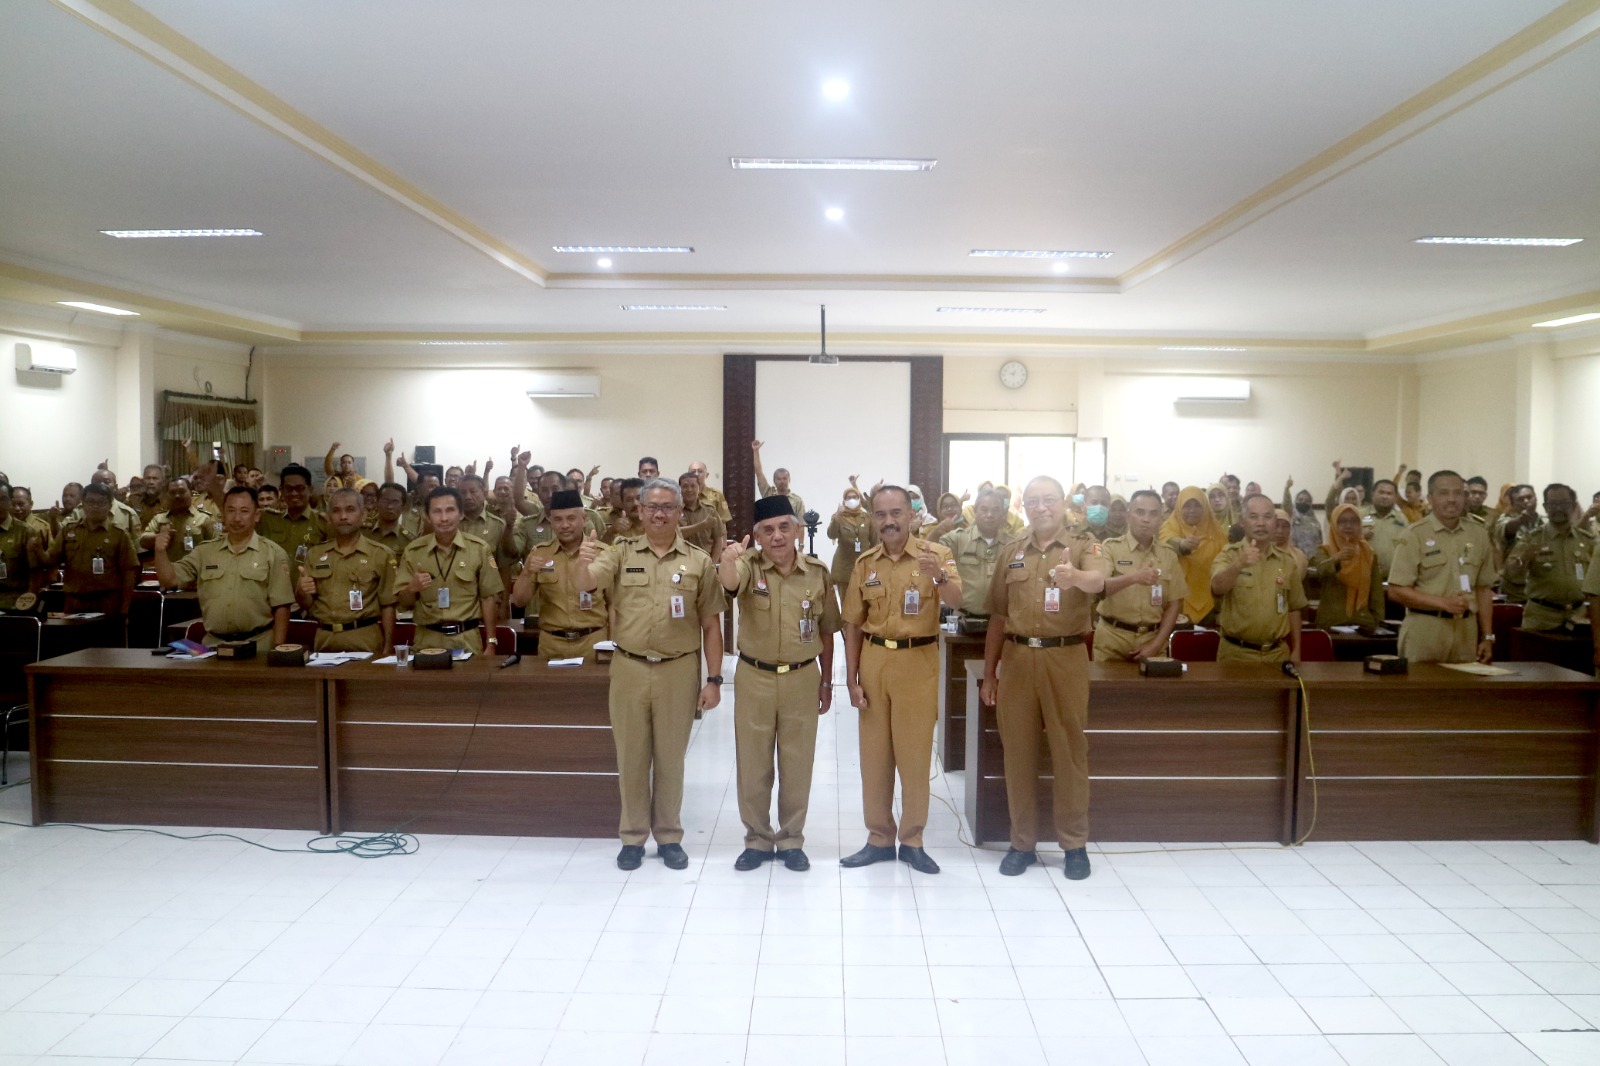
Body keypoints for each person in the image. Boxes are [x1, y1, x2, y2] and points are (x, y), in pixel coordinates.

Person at [578, 477, 725, 871]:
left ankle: (669, 836)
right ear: (640, 512)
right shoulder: (620, 552)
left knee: (671, 760)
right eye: (653, 507)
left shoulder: (697, 561)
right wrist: (582, 560)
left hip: (679, 670)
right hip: (629, 667)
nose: (660, 514)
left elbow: (711, 625)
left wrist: (714, 680)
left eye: (668, 507)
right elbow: (586, 583)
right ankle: (632, 837)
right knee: (631, 758)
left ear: (680, 512)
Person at [978, 475, 1103, 880]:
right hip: (1017, 659)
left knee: (1070, 752)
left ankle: (1074, 845)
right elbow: (998, 616)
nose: (1041, 507)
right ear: (1023, 508)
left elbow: (1098, 581)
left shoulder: (1084, 545)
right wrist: (990, 674)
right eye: (1033, 501)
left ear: (1064, 504)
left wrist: (1075, 577)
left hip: (1065, 657)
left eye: (1049, 499)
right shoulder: (1012, 551)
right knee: (1018, 753)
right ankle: (1022, 843)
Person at [840, 485, 961, 875]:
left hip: (917, 661)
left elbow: (958, 599)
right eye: (881, 514)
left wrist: (939, 577)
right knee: (874, 758)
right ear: (873, 519)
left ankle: (912, 840)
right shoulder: (866, 563)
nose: (889, 521)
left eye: (896, 513)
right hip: (874, 660)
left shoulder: (936, 554)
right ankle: (878, 838)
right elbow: (852, 624)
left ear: (911, 515)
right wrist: (851, 678)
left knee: (914, 756)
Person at [718, 496, 839, 872]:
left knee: (797, 763)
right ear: (757, 537)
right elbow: (730, 582)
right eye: (767, 530)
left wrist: (827, 682)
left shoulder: (817, 572)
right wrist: (727, 558)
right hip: (754, 677)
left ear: (798, 531)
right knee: (753, 763)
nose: (777, 536)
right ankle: (757, 839)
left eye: (784, 527)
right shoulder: (747, 565)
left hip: (803, 678)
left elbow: (828, 631)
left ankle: (790, 840)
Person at [153, 485, 293, 652]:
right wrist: (160, 551)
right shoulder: (204, 552)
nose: (237, 518)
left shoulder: (273, 553)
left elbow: (282, 607)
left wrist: (277, 649)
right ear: (223, 515)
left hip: (259, 646)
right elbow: (169, 580)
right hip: (213, 646)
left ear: (256, 515)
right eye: (231, 511)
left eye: (244, 511)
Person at [1387, 471, 1496, 664]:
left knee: (1463, 683)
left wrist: (1487, 636)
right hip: (1426, 629)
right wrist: (1443, 603)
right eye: (1444, 493)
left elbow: (1483, 588)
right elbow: (1396, 590)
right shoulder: (1414, 534)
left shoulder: (1478, 534)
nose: (1452, 499)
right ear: (1430, 498)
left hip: (1466, 631)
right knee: (1421, 683)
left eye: (1458, 493)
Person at [395, 487, 503, 655]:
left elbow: (488, 598)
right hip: (426, 639)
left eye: (450, 510)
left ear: (461, 514)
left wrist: (491, 642)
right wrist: (411, 588)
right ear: (427, 516)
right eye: (437, 512)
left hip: (466, 639)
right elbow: (403, 602)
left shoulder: (479, 549)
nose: (444, 518)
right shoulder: (414, 551)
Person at [509, 490, 610, 662]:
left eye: (571, 518)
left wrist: (612, 645)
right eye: (558, 519)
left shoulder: (602, 554)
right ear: (550, 521)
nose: (564, 525)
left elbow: (615, 606)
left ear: (584, 519)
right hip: (552, 644)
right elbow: (519, 601)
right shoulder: (540, 553)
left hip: (593, 642)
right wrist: (527, 573)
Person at [295, 488, 396, 656]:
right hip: (325, 637)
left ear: (363, 515)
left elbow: (388, 605)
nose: (343, 516)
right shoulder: (315, 554)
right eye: (336, 511)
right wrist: (301, 591)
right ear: (328, 517)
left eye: (350, 510)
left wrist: (388, 646)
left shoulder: (380, 554)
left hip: (364, 637)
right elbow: (307, 604)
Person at [1210, 494, 1307, 664]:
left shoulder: (1286, 561)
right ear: (1242, 521)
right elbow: (1217, 588)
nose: (1261, 523)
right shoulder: (1229, 554)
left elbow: (1294, 608)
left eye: (1267, 517)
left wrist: (1297, 649)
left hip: (1277, 654)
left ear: (1275, 521)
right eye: (1254, 517)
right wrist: (1239, 564)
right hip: (1236, 655)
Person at [1093, 489, 1185, 662]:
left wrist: (1156, 644)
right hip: (1112, 639)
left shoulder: (1168, 555)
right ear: (1128, 516)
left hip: (1152, 639)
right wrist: (1134, 578)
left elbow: (1174, 604)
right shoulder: (1110, 548)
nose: (1146, 519)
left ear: (1161, 519)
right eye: (1140, 512)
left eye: (1153, 514)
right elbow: (1100, 588)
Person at [1505, 484, 1594, 633]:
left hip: (1578, 618)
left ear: (1573, 506)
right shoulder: (1532, 538)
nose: (1558, 508)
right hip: (1541, 619)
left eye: (1564, 503)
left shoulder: (1586, 540)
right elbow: (1510, 574)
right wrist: (1524, 558)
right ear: (1545, 507)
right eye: (1553, 504)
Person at [45, 483, 139, 625]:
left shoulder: (119, 534)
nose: (95, 506)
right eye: (90, 502)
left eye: (101, 502)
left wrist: (124, 610)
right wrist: (36, 550)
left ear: (109, 505)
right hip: (74, 601)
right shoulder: (69, 531)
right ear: (83, 504)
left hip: (107, 602)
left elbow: (128, 575)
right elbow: (51, 559)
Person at [1161, 486, 1227, 625]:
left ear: (1205, 507)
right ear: (1179, 507)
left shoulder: (1217, 532)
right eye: (1187, 506)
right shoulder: (1169, 527)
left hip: (1212, 605)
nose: (1192, 510)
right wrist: (1183, 545)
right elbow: (1166, 543)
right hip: (1177, 603)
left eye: (1197, 505)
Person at [1310, 504, 1383, 629]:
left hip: (1363, 622)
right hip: (1332, 623)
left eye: (1354, 521)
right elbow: (1318, 573)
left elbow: (1376, 594)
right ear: (1334, 524)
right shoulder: (1324, 551)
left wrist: (1379, 623)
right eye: (1342, 521)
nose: (1348, 525)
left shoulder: (1368, 554)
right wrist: (1336, 558)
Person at [940, 487, 1008, 619]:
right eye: (984, 509)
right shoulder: (957, 539)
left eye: (995, 510)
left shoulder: (1011, 544)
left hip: (1000, 621)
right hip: (964, 618)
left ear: (1003, 514)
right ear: (975, 511)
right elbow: (927, 551)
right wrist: (938, 530)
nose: (989, 515)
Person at [257, 464, 328, 568]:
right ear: (281, 491)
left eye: (300, 488)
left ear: (310, 490)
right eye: (288, 488)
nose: (294, 493)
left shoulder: (323, 523)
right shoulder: (268, 520)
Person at [137, 477, 214, 564]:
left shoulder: (204, 518)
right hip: (167, 569)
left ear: (191, 493)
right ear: (167, 496)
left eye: (182, 492)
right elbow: (143, 541)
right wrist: (160, 537)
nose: (177, 496)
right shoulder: (159, 518)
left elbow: (215, 547)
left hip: (196, 569)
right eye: (172, 493)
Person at [1494, 484, 1541, 603]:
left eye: (1529, 497)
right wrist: (1521, 520)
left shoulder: (1544, 522)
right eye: (1520, 499)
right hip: (1515, 590)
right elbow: (1507, 529)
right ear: (1512, 503)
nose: (1526, 501)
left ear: (1536, 498)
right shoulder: (1505, 521)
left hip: (1540, 588)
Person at [0, 484, 45, 609]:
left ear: (10, 501)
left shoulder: (25, 531)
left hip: (15, 602)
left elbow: (35, 573)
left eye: (3, 499)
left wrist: (28, 604)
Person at [827, 483, 874, 590]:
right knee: (845, 599)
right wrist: (837, 516)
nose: (852, 500)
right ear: (844, 501)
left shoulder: (866, 517)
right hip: (843, 567)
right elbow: (831, 534)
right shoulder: (838, 517)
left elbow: (874, 541)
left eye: (854, 497)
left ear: (859, 499)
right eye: (848, 498)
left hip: (864, 565)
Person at [677, 471, 727, 557]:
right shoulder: (674, 511)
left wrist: (712, 562)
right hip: (681, 559)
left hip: (705, 559)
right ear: (679, 489)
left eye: (693, 486)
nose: (689, 489)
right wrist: (703, 525)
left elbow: (718, 540)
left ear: (699, 488)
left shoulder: (710, 510)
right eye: (685, 486)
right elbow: (675, 534)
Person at [752, 439, 805, 516]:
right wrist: (756, 451)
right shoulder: (768, 494)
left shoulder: (797, 501)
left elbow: (801, 522)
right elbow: (759, 473)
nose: (782, 481)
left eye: (784, 478)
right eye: (779, 479)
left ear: (789, 480)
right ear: (774, 481)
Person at [369, 482, 414, 555]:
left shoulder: (409, 541)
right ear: (377, 503)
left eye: (395, 502)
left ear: (403, 507)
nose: (389, 506)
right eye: (385, 501)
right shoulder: (362, 532)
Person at [1282, 477, 1322, 558]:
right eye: (1300, 500)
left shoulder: (1314, 521)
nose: (1303, 502)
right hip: (1294, 557)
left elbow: (1319, 540)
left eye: (1307, 501)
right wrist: (1287, 489)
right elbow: (1287, 503)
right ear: (1295, 501)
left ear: (1310, 503)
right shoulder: (1291, 515)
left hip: (1313, 558)